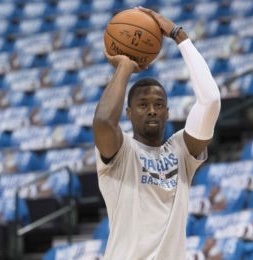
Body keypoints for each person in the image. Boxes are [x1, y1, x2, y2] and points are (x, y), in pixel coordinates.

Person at [93, 7, 221, 260]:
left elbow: (211, 101)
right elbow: (104, 122)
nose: (152, 110)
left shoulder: (182, 151)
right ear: (128, 112)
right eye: (143, 105)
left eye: (159, 105)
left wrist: (179, 36)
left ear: (167, 112)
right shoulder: (121, 152)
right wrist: (125, 67)